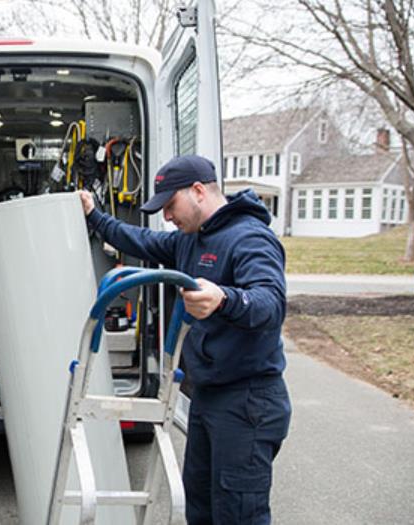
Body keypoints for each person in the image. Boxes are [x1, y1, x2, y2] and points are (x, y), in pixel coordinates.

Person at [79, 154, 291, 524]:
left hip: (247, 401)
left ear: (198, 192)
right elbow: (141, 240)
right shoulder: (189, 240)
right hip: (208, 397)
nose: (167, 216)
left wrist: (224, 298)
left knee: (237, 514)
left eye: (170, 205)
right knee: (201, 507)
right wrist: (95, 216)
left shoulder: (250, 238)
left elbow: (270, 303)